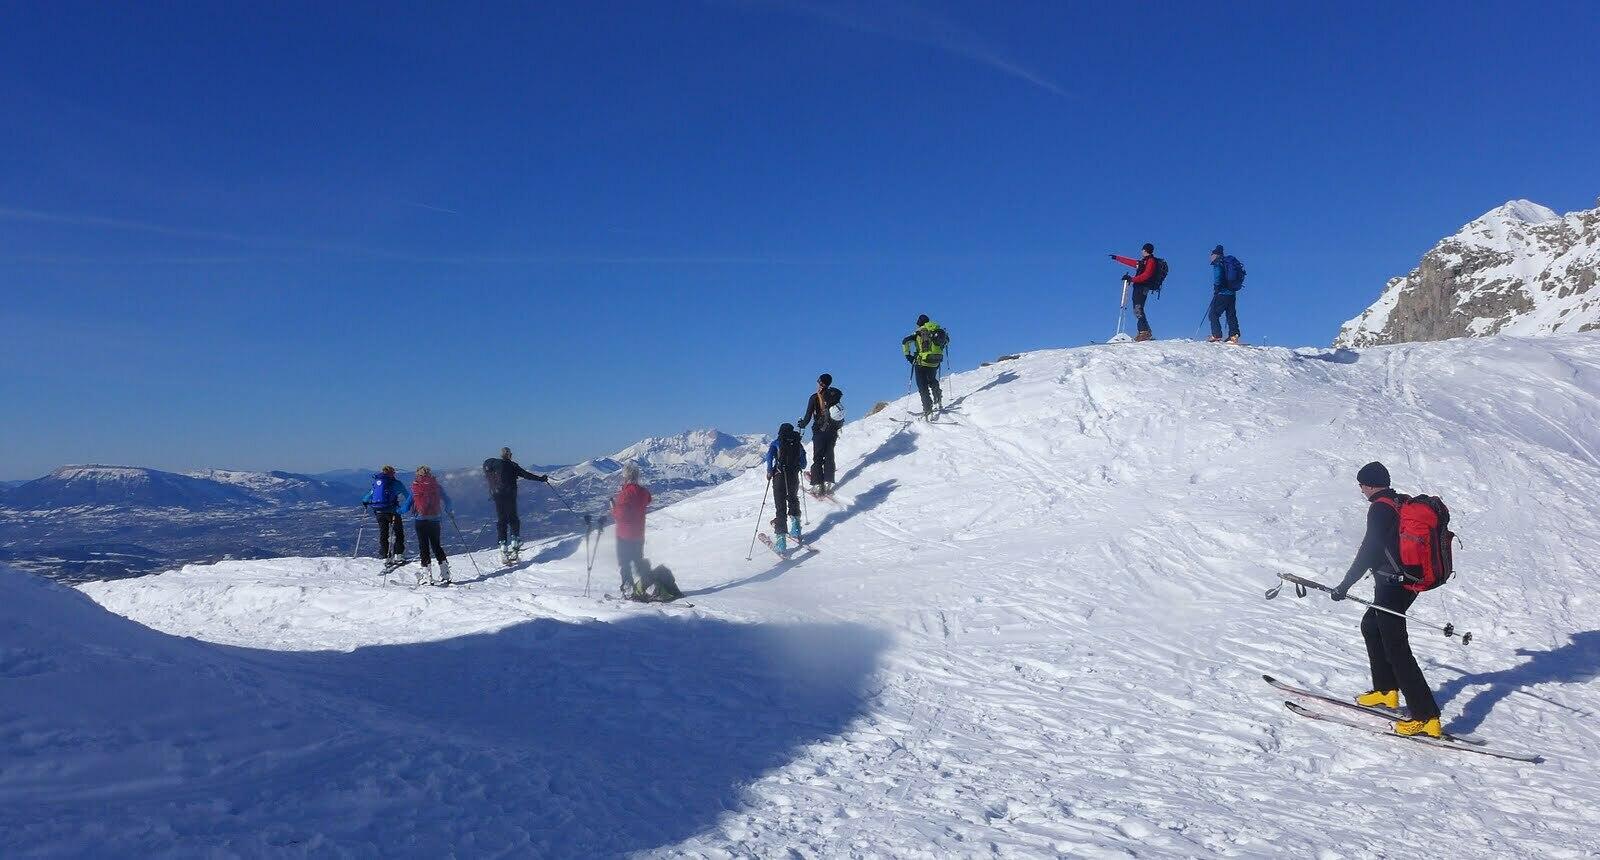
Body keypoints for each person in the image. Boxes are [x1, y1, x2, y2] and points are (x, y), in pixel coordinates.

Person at [1330, 462, 1443, 738]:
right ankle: (1385, 691)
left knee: (1397, 647)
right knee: (1371, 626)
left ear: (1369, 484)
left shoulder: (1380, 508)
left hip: (1392, 584)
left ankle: (1426, 716)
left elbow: (1369, 550)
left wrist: (1345, 584)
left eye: (1361, 484)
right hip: (1405, 582)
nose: (1360, 489)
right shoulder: (1398, 501)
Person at [482, 446, 550, 558]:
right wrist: (541, 479)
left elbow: (488, 471)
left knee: (502, 519)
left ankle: (503, 545)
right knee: (513, 518)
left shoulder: (493, 464)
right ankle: (515, 542)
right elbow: (527, 475)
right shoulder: (513, 466)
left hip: (497, 495)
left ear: (501, 455)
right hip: (510, 495)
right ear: (510, 455)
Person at [611, 461, 653, 598]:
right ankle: (646, 583)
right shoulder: (643, 492)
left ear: (626, 476)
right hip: (639, 534)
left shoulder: (625, 493)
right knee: (638, 560)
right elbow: (648, 499)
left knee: (625, 562)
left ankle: (628, 587)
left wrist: (614, 508)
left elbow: (620, 515)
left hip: (624, 535)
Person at [798, 373, 844, 496]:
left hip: (819, 431)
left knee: (818, 457)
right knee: (829, 455)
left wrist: (801, 424)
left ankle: (818, 485)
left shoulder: (814, 397)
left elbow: (808, 417)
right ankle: (828, 482)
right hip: (833, 430)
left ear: (819, 382)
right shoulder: (835, 396)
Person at [765, 423, 807, 552]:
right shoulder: (797, 444)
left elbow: (769, 457)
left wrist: (769, 471)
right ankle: (796, 528)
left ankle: (781, 542)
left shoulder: (776, 443)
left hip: (779, 477)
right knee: (793, 499)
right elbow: (804, 464)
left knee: (780, 507)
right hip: (793, 477)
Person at [410, 465, 453, 586]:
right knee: (436, 545)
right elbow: (448, 500)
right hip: (435, 520)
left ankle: (427, 576)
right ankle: (445, 573)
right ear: (430, 474)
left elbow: (407, 505)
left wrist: (397, 511)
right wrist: (448, 510)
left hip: (420, 520)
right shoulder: (437, 486)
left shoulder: (415, 487)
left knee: (423, 546)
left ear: (417, 474)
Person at [1110, 243, 1163, 341]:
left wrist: (1132, 279)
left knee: (1138, 309)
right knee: (1138, 309)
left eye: (1143, 249)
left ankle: (1144, 332)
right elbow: (1131, 262)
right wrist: (1117, 258)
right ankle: (1145, 331)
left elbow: (1146, 275)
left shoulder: (1150, 261)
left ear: (1145, 250)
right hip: (1139, 287)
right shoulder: (1144, 261)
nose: (1141, 251)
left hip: (1142, 287)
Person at [361, 465, 411, 564]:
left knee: (383, 533)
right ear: (392, 473)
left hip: (379, 512)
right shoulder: (397, 483)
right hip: (393, 511)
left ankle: (385, 557)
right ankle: (398, 555)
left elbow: (367, 497)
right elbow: (408, 496)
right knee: (398, 532)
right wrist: (405, 507)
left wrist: (365, 501)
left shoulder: (377, 483)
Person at [901, 315, 949, 417]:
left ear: (919, 323)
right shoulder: (938, 330)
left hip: (922, 362)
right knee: (932, 379)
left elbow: (905, 341)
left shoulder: (919, 332)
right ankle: (937, 394)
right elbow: (947, 341)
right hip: (935, 361)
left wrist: (908, 356)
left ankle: (927, 408)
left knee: (922, 385)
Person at [1207, 244, 1244, 344]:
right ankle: (1234, 335)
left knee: (1213, 314)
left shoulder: (1218, 263)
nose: (1211, 257)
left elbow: (1218, 277)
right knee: (1231, 314)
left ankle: (1216, 335)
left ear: (1215, 255)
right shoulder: (1227, 262)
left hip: (1222, 293)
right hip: (1232, 293)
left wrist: (1216, 288)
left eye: (1212, 255)